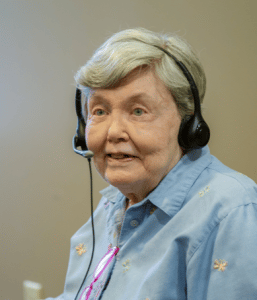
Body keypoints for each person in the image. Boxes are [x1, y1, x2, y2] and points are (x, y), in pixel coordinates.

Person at [45, 28, 257, 300]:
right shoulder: (113, 203)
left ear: (189, 123)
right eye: (100, 111)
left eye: (138, 111)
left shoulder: (230, 211)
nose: (113, 132)